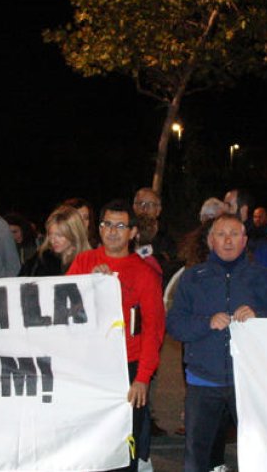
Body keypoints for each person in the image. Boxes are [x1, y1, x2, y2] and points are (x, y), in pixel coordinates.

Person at [167, 214, 267, 472]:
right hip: (203, 382)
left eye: (234, 234)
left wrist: (259, 316)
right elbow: (175, 325)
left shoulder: (263, 278)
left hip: (248, 383)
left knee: (259, 454)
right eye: (221, 234)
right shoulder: (192, 278)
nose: (228, 240)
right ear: (211, 240)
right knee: (196, 458)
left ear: (245, 240)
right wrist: (206, 323)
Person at [67, 200, 164, 472]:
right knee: (88, 443)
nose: (112, 231)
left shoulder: (145, 273)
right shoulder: (84, 262)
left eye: (120, 226)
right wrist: (89, 284)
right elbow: (64, 312)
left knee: (123, 446)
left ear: (133, 232)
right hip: (89, 367)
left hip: (127, 369)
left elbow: (153, 330)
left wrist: (142, 378)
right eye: (106, 224)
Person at [20, 205, 90, 277]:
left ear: (73, 234)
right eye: (50, 234)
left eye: (59, 235)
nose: (53, 240)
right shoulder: (39, 260)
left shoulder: (88, 261)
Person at [134, 187, 180, 282]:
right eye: (140, 204)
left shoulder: (169, 239)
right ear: (134, 207)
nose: (144, 209)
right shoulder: (125, 237)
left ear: (158, 210)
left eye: (150, 204)